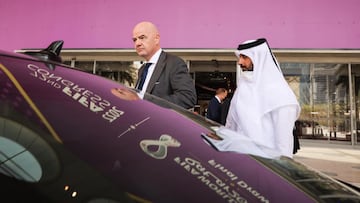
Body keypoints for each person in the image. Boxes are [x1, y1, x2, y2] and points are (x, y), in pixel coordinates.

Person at [205, 38, 301, 159]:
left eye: (244, 57)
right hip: (239, 159)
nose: (239, 62)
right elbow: (231, 124)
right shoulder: (242, 88)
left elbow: (283, 142)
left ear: (258, 58)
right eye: (239, 57)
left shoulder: (280, 93)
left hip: (266, 163)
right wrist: (219, 136)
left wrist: (283, 169)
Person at [131, 21, 197, 109]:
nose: (137, 43)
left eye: (142, 37)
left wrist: (148, 103)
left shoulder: (174, 63)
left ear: (156, 39)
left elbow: (187, 97)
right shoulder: (142, 69)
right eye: (135, 40)